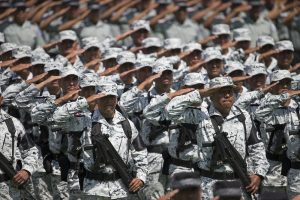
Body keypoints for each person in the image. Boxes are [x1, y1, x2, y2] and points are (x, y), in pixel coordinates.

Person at [165, 76, 269, 200]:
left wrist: (259, 173)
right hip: (209, 185)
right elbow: (169, 111)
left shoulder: (243, 116)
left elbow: (256, 146)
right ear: (211, 95)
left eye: (229, 92)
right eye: (221, 92)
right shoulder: (200, 116)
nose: (226, 95)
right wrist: (199, 93)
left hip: (238, 184)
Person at [255, 70, 300, 200]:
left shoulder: (296, 107)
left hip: (295, 170)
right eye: (281, 83)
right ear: (272, 85)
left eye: (288, 83)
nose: (285, 86)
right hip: (272, 169)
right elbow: (259, 115)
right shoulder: (264, 106)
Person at [0, 87, 39, 199]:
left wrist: (26, 170)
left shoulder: (12, 124)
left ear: (1, 99)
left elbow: (31, 151)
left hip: (8, 190)